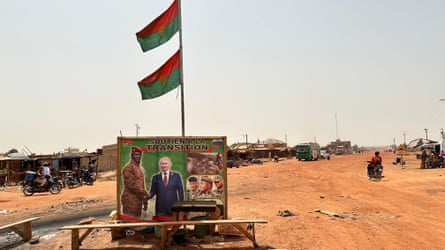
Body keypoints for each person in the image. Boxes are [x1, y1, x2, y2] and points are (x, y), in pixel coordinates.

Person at [121, 146, 149, 218]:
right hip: (130, 199)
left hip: (138, 200)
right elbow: (131, 185)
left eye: (139, 155)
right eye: (135, 154)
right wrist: (144, 193)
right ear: (132, 155)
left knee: (136, 222)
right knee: (130, 222)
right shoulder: (128, 168)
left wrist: (145, 201)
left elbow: (141, 185)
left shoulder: (139, 168)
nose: (138, 156)